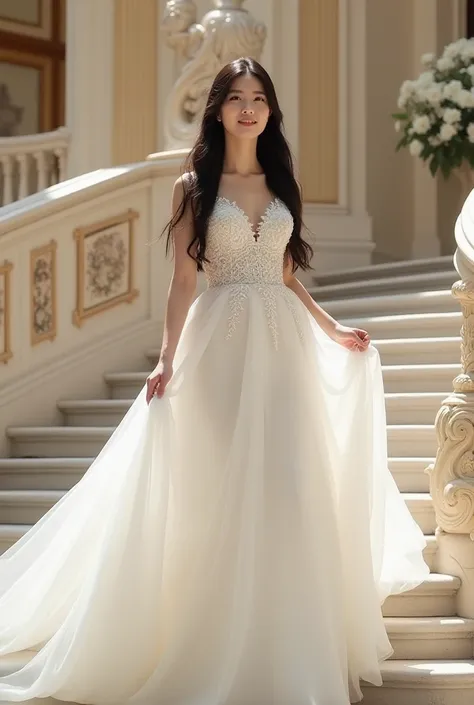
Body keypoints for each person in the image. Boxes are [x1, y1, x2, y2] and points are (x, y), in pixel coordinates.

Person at [0, 57, 428, 705]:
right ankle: (214, 635)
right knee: (220, 486)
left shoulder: (283, 182)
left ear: (270, 110)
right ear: (220, 109)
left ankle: (283, 638)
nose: (248, 108)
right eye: (236, 98)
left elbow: (284, 274)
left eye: (259, 98)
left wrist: (334, 330)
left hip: (283, 344)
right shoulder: (191, 187)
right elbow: (181, 282)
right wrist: (168, 356)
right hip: (219, 342)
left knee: (284, 481)